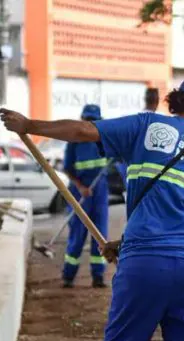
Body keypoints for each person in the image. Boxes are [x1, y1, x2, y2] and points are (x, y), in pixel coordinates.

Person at [0, 74, 184, 341]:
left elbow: (84, 132)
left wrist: (29, 125)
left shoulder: (147, 125)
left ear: (178, 103)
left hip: (144, 265)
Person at [61, 104, 110, 288]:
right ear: (82, 119)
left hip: (100, 189)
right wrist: (80, 186)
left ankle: (98, 276)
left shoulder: (103, 139)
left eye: (93, 120)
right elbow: (67, 167)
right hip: (80, 190)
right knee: (77, 234)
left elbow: (117, 156)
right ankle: (68, 276)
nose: (90, 123)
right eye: (87, 119)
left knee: (100, 234)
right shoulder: (74, 141)